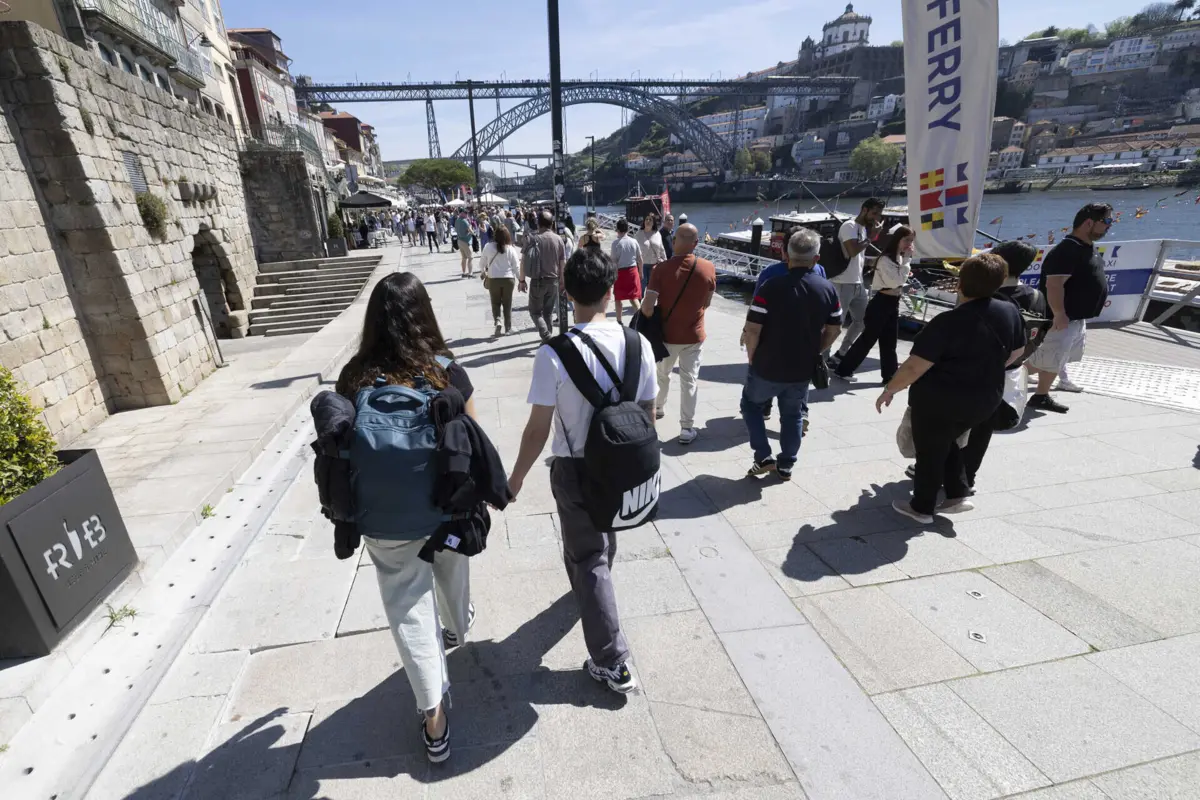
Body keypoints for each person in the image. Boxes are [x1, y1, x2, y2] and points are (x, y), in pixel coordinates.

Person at [334, 272, 477, 763]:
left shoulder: (354, 376)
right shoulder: (445, 369)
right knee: (452, 570)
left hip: (382, 517)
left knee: (407, 607)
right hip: (444, 507)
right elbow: (472, 436)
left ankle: (434, 717)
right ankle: (457, 626)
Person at [507, 248, 657, 694]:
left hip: (575, 468)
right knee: (603, 540)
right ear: (611, 290)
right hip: (626, 460)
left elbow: (538, 429)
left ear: (567, 292)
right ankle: (596, 590)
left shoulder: (554, 354)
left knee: (587, 557)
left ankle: (613, 660)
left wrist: (515, 479)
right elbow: (648, 412)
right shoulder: (639, 343)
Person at [876, 254, 1026, 525]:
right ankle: (957, 494)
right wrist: (987, 367)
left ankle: (921, 508)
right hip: (986, 398)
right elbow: (1018, 351)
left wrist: (889, 389)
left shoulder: (947, 322)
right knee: (949, 442)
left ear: (960, 284)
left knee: (930, 451)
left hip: (939, 401)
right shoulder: (1009, 311)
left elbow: (914, 367)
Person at [740, 229, 842, 481]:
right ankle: (786, 464)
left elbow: (753, 328)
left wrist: (752, 355)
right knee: (793, 415)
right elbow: (834, 329)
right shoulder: (828, 289)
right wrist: (817, 349)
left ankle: (763, 456)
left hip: (766, 363)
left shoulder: (770, 286)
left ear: (787, 254)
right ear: (816, 259)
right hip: (801, 368)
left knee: (751, 405)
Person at [958, 241, 1048, 488]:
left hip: (973, 373)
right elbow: (1040, 334)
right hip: (1008, 373)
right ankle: (967, 477)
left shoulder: (987, 297)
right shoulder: (1037, 296)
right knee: (982, 429)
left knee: (956, 425)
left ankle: (941, 471)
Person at [1026, 202, 1113, 414]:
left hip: (1076, 317)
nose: (1109, 225)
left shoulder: (1086, 247)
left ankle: (1040, 395)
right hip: (1062, 318)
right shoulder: (1066, 250)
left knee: (1056, 359)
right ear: (1089, 222)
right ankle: (1000, 379)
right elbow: (1054, 285)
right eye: (1106, 220)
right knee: (1043, 360)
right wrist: (1059, 314)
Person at [641, 224, 715, 445]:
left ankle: (659, 407)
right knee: (689, 380)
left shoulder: (660, 270)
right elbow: (707, 302)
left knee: (662, 374)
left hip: (667, 335)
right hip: (694, 335)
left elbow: (647, 307)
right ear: (696, 243)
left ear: (674, 242)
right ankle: (686, 427)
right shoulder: (708, 268)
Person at [748, 227, 827, 431]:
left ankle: (764, 407)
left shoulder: (770, 273)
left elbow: (756, 307)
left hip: (772, 335)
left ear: (785, 251)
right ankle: (801, 412)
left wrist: (749, 339)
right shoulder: (819, 271)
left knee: (765, 372)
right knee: (801, 378)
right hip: (806, 336)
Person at [834, 225, 914, 383]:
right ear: (898, 239)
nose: (909, 244)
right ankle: (843, 369)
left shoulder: (899, 258)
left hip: (893, 302)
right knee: (868, 339)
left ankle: (889, 376)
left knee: (889, 342)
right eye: (906, 240)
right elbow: (895, 282)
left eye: (911, 241)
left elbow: (899, 281)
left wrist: (905, 261)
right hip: (881, 302)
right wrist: (907, 260)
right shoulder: (886, 259)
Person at [829, 198, 885, 364]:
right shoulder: (849, 226)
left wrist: (874, 261)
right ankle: (822, 359)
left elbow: (857, 257)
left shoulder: (862, 229)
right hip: (842, 283)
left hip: (857, 283)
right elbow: (852, 251)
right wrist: (872, 237)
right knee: (834, 325)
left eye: (879, 215)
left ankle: (841, 354)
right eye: (874, 213)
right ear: (864, 209)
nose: (876, 218)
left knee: (862, 321)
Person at [520, 210, 567, 342]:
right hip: (553, 281)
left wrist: (522, 280)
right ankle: (548, 342)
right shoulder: (558, 239)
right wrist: (562, 281)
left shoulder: (531, 239)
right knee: (548, 313)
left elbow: (523, 261)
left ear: (538, 223)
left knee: (535, 312)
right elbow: (562, 263)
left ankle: (547, 337)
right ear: (552, 224)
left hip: (537, 280)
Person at [481, 225, 519, 337]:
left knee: (495, 302)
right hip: (508, 280)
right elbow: (516, 266)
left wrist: (483, 272)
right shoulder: (511, 249)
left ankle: (498, 321)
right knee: (507, 304)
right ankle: (508, 328)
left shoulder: (488, 247)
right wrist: (521, 280)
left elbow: (481, 263)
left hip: (493, 279)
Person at [609, 218, 644, 325]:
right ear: (627, 229)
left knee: (618, 298)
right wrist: (641, 272)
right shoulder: (634, 241)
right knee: (634, 298)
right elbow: (640, 259)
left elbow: (613, 262)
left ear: (617, 229)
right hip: (633, 272)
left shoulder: (615, 243)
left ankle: (619, 321)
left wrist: (612, 276)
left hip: (620, 273)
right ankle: (641, 320)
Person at [634, 213, 667, 289]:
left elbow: (662, 249)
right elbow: (634, 249)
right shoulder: (638, 234)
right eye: (646, 219)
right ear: (644, 221)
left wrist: (665, 262)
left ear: (653, 222)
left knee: (652, 288)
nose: (648, 221)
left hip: (654, 265)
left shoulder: (657, 234)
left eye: (650, 220)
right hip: (642, 265)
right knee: (641, 287)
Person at [455, 213, 474, 277]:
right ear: (463, 214)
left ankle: (463, 273)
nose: (467, 215)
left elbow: (456, 230)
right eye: (466, 214)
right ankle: (470, 273)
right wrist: (472, 231)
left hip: (459, 240)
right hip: (466, 241)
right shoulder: (465, 221)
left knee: (464, 257)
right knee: (470, 258)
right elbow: (471, 231)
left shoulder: (457, 220)